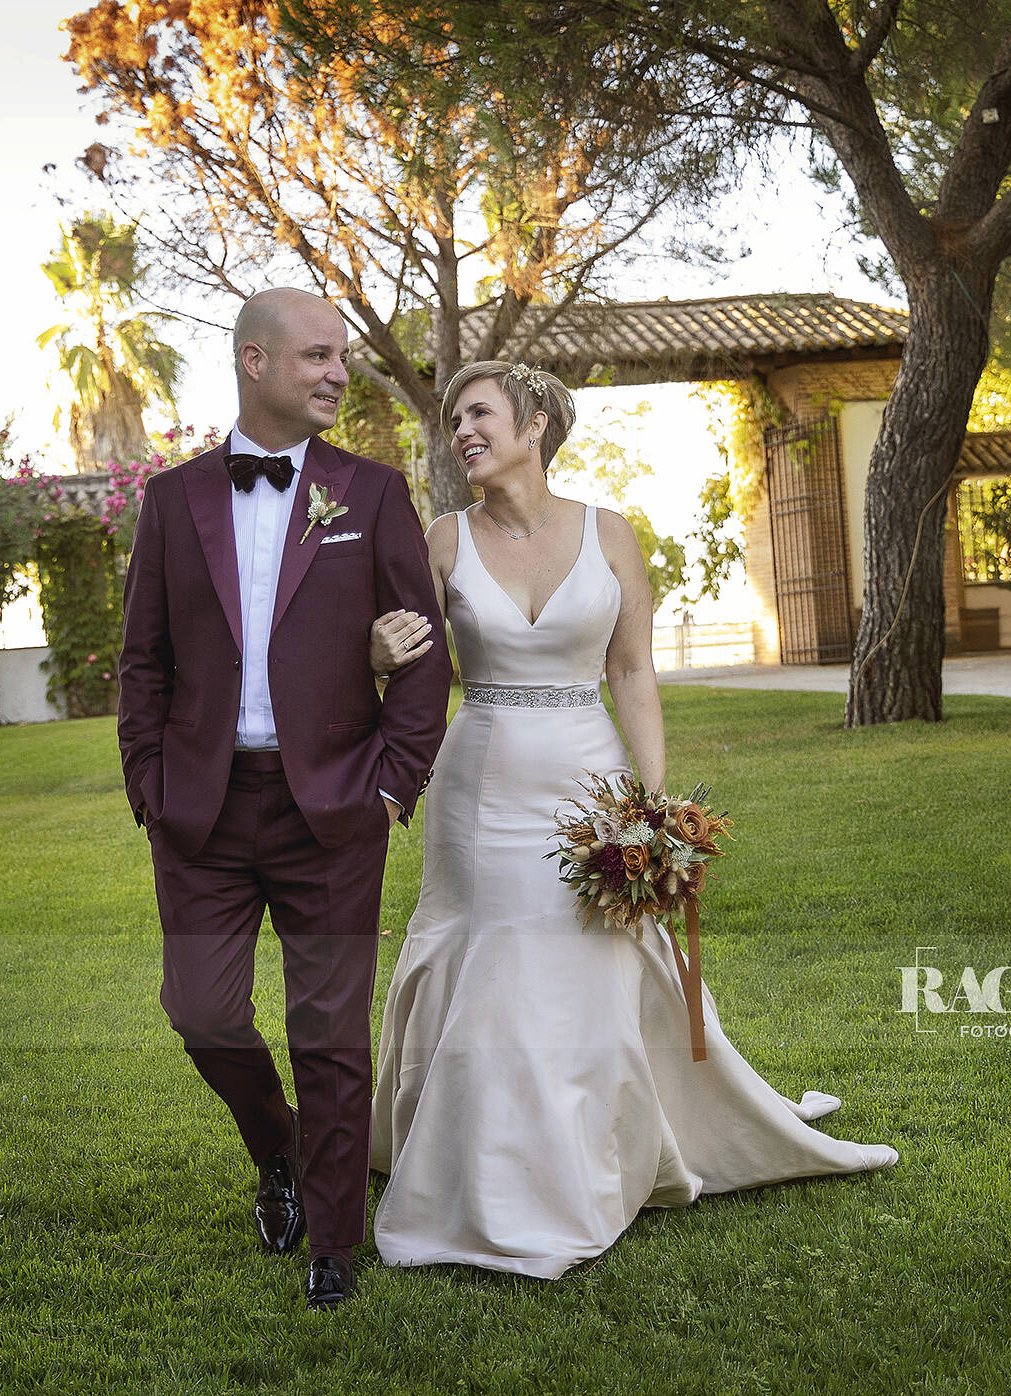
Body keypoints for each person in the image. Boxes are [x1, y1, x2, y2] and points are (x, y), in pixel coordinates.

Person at [365, 360, 897, 1280]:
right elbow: (401, 662)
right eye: (454, 420)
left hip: (591, 777)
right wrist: (375, 653)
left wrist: (653, 805)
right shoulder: (442, 539)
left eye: (479, 413)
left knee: (589, 959)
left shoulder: (610, 534)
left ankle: (595, 1145)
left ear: (535, 425)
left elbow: (632, 670)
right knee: (493, 953)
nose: (462, 432)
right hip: (481, 786)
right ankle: (485, 1169)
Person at [116, 288, 452, 1309]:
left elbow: (424, 653)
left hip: (334, 807)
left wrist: (390, 784)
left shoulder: (371, 493)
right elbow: (142, 663)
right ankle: (279, 1149)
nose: (338, 373)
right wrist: (150, 788)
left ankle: (335, 1243)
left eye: (340, 357)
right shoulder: (171, 501)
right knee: (202, 1010)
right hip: (202, 811)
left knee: (329, 1031)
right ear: (253, 361)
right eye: (316, 355)